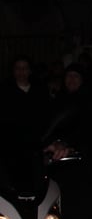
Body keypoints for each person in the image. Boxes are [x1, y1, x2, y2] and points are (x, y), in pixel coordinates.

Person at [43, 63, 92, 219]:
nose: (71, 81)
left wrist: (73, 145)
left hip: (82, 162)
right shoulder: (58, 102)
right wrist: (54, 144)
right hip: (59, 162)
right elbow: (50, 127)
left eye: (76, 77)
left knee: (79, 201)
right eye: (68, 77)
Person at [0, 55, 54, 184]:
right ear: (13, 71)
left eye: (25, 68)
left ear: (30, 71)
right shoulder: (4, 90)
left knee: (34, 178)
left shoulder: (39, 89)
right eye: (18, 68)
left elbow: (46, 115)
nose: (21, 72)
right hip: (11, 144)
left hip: (35, 143)